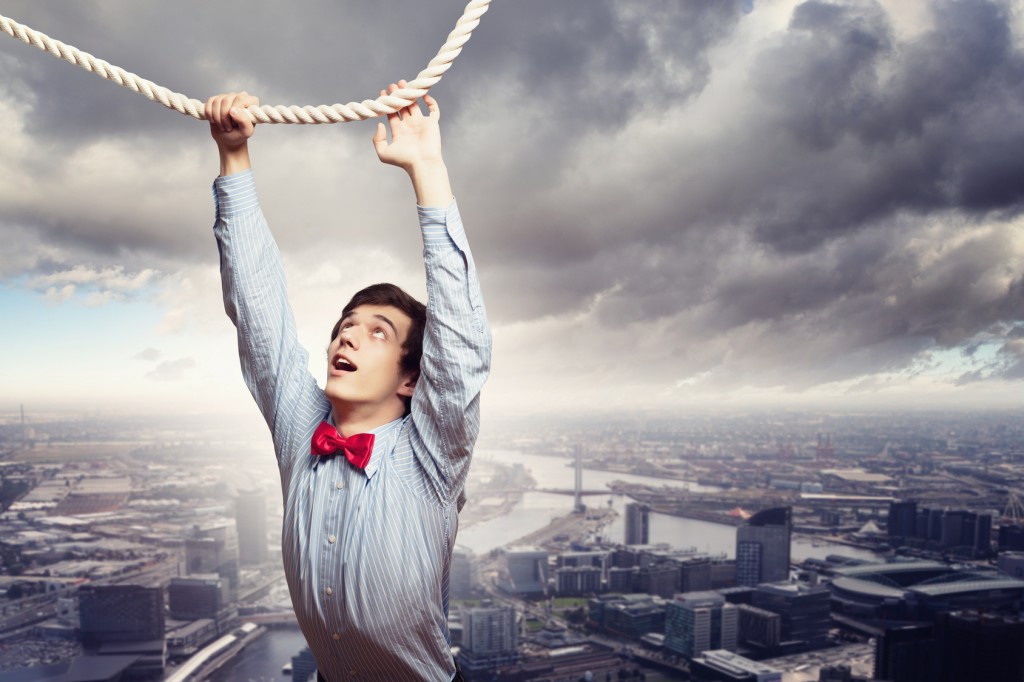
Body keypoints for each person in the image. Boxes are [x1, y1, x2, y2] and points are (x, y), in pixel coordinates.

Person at [205, 82, 491, 681]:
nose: (348, 337)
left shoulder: (432, 456)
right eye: (345, 326)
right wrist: (234, 156)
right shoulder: (300, 431)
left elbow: (460, 344)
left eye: (378, 332)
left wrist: (427, 169)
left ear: (413, 377)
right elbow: (260, 316)